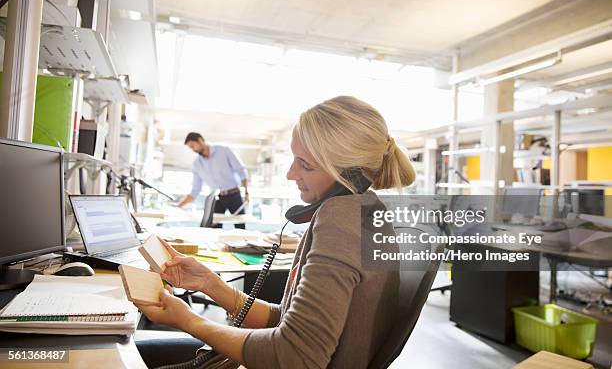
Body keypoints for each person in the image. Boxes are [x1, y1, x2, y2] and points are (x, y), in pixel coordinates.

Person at [135, 96, 416, 368]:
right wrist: (211, 284)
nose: (291, 174)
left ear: (351, 174)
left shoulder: (341, 220)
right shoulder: (363, 211)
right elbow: (285, 322)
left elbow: (294, 357)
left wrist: (189, 321)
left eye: (305, 164)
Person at [177, 132, 249, 229]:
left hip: (234, 195)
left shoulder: (224, 150)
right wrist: (178, 206)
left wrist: (246, 192)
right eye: (190, 148)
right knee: (212, 228)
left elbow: (241, 170)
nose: (193, 150)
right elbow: (195, 190)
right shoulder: (197, 164)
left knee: (240, 226)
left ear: (200, 140)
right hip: (217, 198)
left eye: (193, 146)